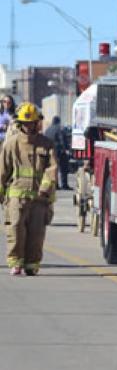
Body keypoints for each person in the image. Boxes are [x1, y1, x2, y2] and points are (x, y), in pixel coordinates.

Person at [0, 102, 57, 275]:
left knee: (36, 234)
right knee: (16, 230)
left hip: (39, 199)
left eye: (32, 122)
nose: (29, 126)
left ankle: (32, 265)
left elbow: (52, 168)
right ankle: (15, 263)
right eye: (25, 123)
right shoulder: (11, 144)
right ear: (19, 124)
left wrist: (46, 188)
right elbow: (3, 170)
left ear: (37, 122)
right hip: (17, 197)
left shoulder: (46, 144)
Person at [45, 116, 71, 190]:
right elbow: (61, 139)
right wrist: (65, 149)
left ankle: (55, 184)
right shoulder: (59, 129)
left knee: (53, 168)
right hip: (59, 151)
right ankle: (64, 185)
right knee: (63, 168)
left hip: (49, 151)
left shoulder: (47, 130)